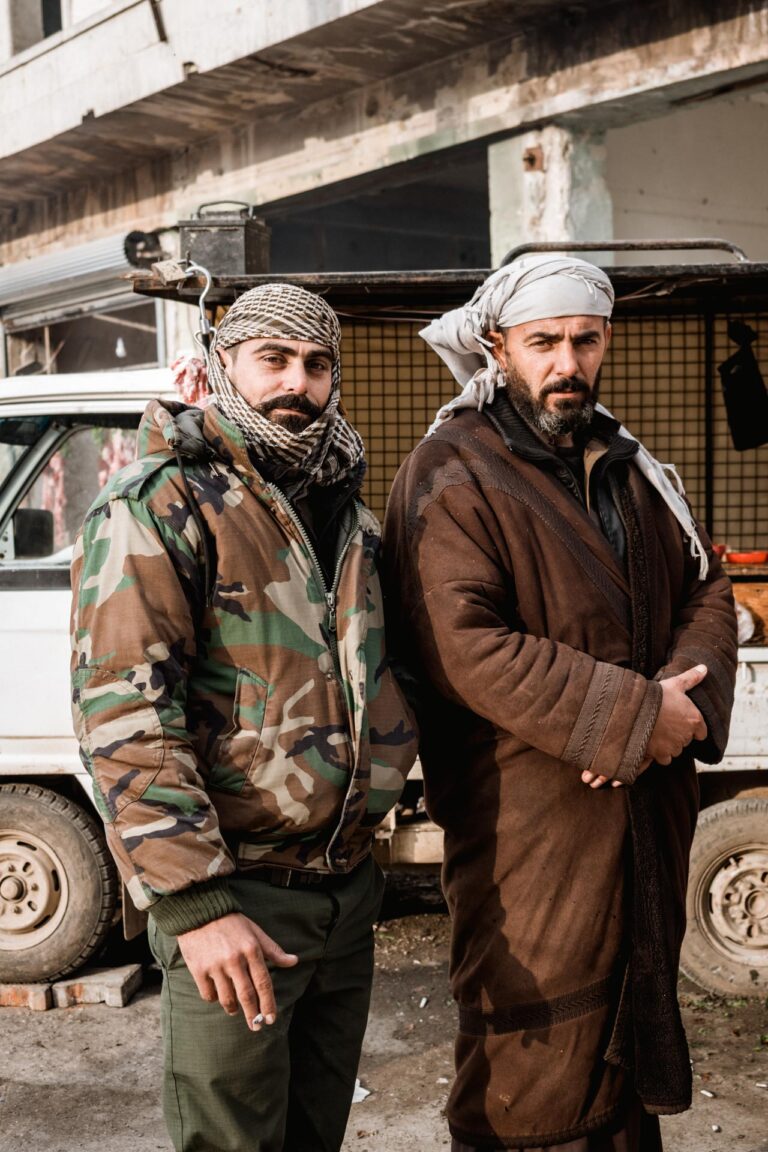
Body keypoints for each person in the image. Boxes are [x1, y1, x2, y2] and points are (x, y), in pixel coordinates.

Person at [382, 255, 737, 1151]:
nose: (566, 362)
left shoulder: (630, 467)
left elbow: (707, 587)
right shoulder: (450, 472)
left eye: (584, 340)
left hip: (640, 820)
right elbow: (463, 645)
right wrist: (632, 717)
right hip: (528, 830)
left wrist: (675, 704)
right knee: (532, 1063)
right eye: (544, 342)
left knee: (623, 1061)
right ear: (499, 348)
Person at [70, 283, 417, 1152]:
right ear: (225, 366)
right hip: (239, 900)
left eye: (316, 363)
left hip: (343, 894)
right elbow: (125, 712)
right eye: (272, 359)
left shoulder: (346, 512)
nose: (295, 382)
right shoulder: (163, 501)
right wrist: (197, 905)